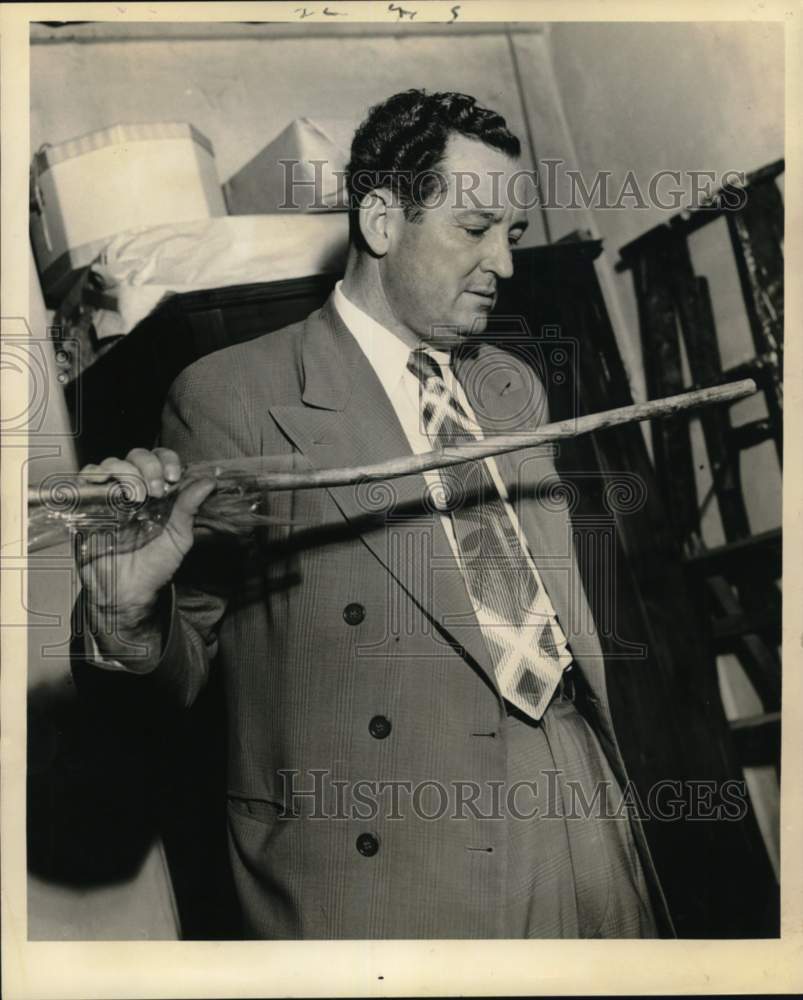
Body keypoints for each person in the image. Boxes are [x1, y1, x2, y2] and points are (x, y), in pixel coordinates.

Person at [73, 89, 674, 939]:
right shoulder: (236, 395)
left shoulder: (511, 389)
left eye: (513, 234)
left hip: (577, 789)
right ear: (383, 219)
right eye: (474, 229)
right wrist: (125, 614)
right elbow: (184, 668)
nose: (502, 263)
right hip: (396, 843)